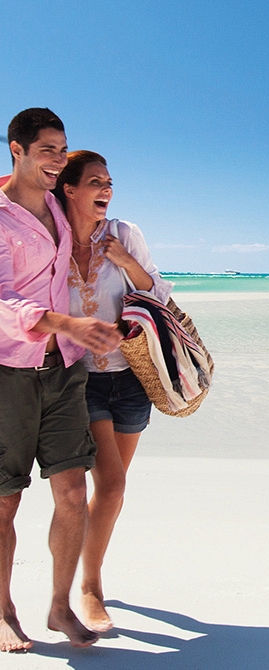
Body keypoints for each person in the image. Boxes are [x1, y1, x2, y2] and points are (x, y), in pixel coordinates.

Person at [0, 109, 122, 651]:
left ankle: (58, 606)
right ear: (17, 150)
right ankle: (2, 609)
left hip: (64, 368)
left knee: (73, 492)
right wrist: (67, 321)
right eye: (47, 149)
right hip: (9, 372)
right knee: (5, 500)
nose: (56, 159)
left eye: (62, 149)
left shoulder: (54, 205)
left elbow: (94, 219)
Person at [53, 151, 173, 633]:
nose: (106, 190)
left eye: (109, 182)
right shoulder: (51, 237)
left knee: (110, 489)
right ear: (69, 189)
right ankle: (90, 586)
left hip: (131, 376)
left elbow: (159, 293)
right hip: (77, 378)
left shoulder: (125, 234)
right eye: (95, 182)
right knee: (114, 482)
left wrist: (126, 263)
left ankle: (81, 569)